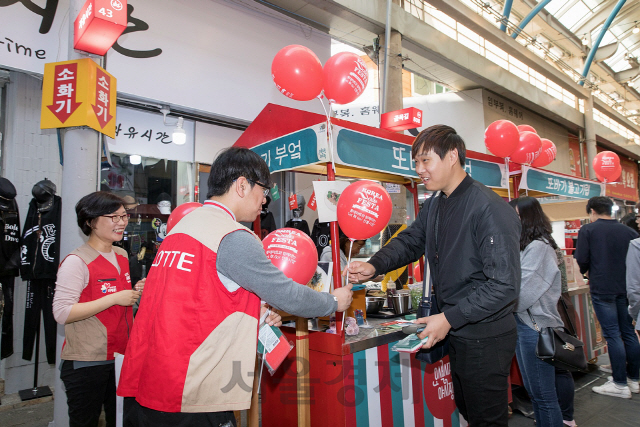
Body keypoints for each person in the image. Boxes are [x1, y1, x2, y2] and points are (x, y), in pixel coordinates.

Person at [117, 147, 353, 427]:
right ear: (242, 185)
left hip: (148, 380)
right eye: (263, 190)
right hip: (190, 392)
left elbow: (197, 296)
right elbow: (287, 294)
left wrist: (255, 311)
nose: (265, 201)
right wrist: (333, 302)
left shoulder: (182, 228)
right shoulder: (232, 236)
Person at [347, 125, 521, 426]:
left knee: (486, 419)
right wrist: (374, 265)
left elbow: (503, 285)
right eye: (416, 163)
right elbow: (411, 241)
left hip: (485, 335)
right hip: (459, 329)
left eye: (425, 160)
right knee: (468, 410)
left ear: (452, 156)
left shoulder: (488, 208)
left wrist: (449, 318)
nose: (419, 170)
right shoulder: (437, 204)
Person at [52, 192, 145, 427]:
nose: (122, 222)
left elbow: (117, 297)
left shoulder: (122, 255)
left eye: (124, 216)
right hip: (87, 362)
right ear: (90, 221)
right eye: (113, 217)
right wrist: (115, 298)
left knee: (122, 421)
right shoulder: (77, 261)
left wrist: (136, 290)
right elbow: (62, 312)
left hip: (121, 358)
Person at [509, 197, 576, 427]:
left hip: (535, 327)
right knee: (538, 394)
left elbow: (523, 294)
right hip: (529, 325)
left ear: (528, 218)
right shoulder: (530, 246)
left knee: (543, 397)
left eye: (515, 216)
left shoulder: (539, 247)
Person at [574, 196, 640, 398]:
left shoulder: (588, 230)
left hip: (602, 288)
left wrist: (585, 272)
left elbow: (582, 260)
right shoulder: (628, 231)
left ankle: (619, 384)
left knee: (612, 335)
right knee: (628, 333)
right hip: (625, 288)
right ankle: (634, 380)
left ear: (592, 210)